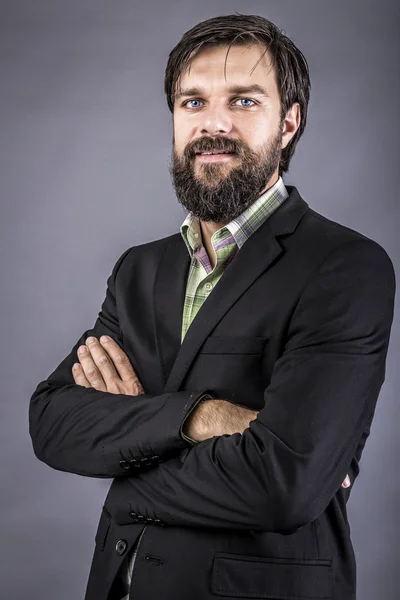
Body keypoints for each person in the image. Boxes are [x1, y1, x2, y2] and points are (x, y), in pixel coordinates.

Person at [29, 13, 395, 600]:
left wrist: (125, 466)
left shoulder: (345, 266)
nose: (213, 123)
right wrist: (204, 416)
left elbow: (286, 484)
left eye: (244, 101)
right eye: (192, 102)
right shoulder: (139, 270)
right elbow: (51, 423)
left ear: (289, 122)